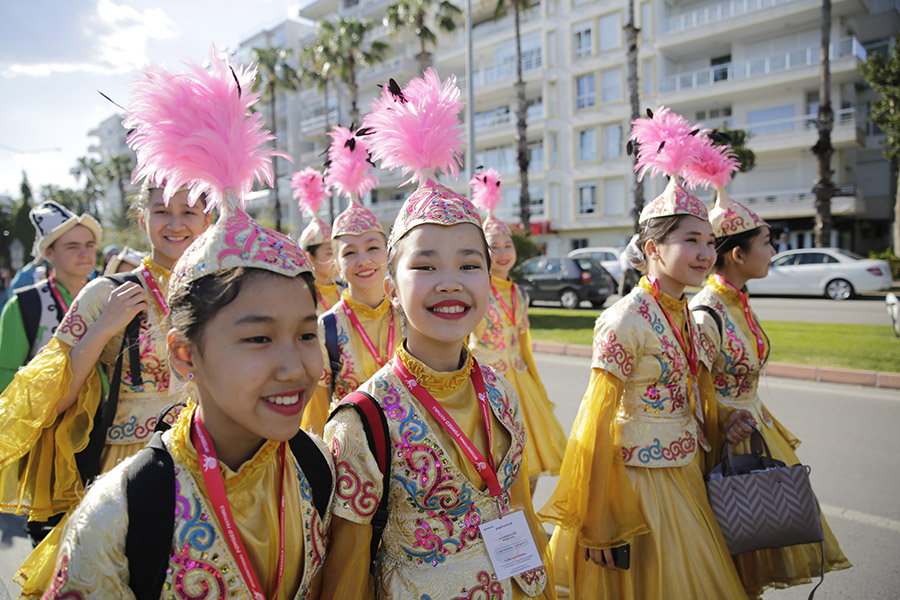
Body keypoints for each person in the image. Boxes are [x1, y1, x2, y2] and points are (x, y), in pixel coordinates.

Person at [35, 49, 335, 598]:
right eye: (160, 210)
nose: (175, 222)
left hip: (243, 442)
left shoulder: (312, 468)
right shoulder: (125, 510)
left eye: (189, 209)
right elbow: (51, 398)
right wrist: (104, 330)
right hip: (144, 465)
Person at [320, 68, 552, 600]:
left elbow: (519, 516)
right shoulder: (362, 421)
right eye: (425, 267)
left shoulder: (497, 391)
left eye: (470, 265)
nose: (451, 284)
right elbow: (349, 569)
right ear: (392, 288)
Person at [539, 107, 747, 599]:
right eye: (690, 240)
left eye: (710, 242)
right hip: (634, 486)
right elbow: (593, 422)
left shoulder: (686, 314)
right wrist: (599, 518)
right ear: (652, 249)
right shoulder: (624, 319)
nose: (705, 253)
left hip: (684, 471)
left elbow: (689, 398)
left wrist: (726, 422)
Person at [689, 187, 851, 598]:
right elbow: (692, 390)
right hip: (724, 444)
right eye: (766, 243)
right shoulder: (707, 312)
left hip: (754, 430)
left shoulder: (738, 302)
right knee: (731, 555)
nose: (774, 250)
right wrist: (725, 419)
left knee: (752, 555)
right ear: (739, 255)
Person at [468, 168, 566, 489]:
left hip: (520, 380)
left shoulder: (519, 293)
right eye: (494, 246)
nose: (503, 252)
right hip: (487, 381)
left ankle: (525, 528)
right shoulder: (477, 290)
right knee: (497, 463)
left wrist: (537, 387)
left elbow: (525, 345)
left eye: (507, 244)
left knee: (531, 464)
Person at [299, 125, 399, 436]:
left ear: (388, 252)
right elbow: (315, 409)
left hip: (417, 456)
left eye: (372, 247)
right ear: (337, 264)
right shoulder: (327, 327)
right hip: (353, 457)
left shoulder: (409, 315)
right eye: (349, 252)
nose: (364, 260)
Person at [0, 202, 102, 391]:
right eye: (72, 247)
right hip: (48, 417)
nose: (84, 253)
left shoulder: (109, 296)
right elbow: (6, 376)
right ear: (49, 253)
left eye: (89, 245)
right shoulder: (23, 305)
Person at [292, 166, 341, 313]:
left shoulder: (345, 291)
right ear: (310, 258)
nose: (336, 260)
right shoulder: (304, 296)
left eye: (337, 252)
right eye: (329, 253)